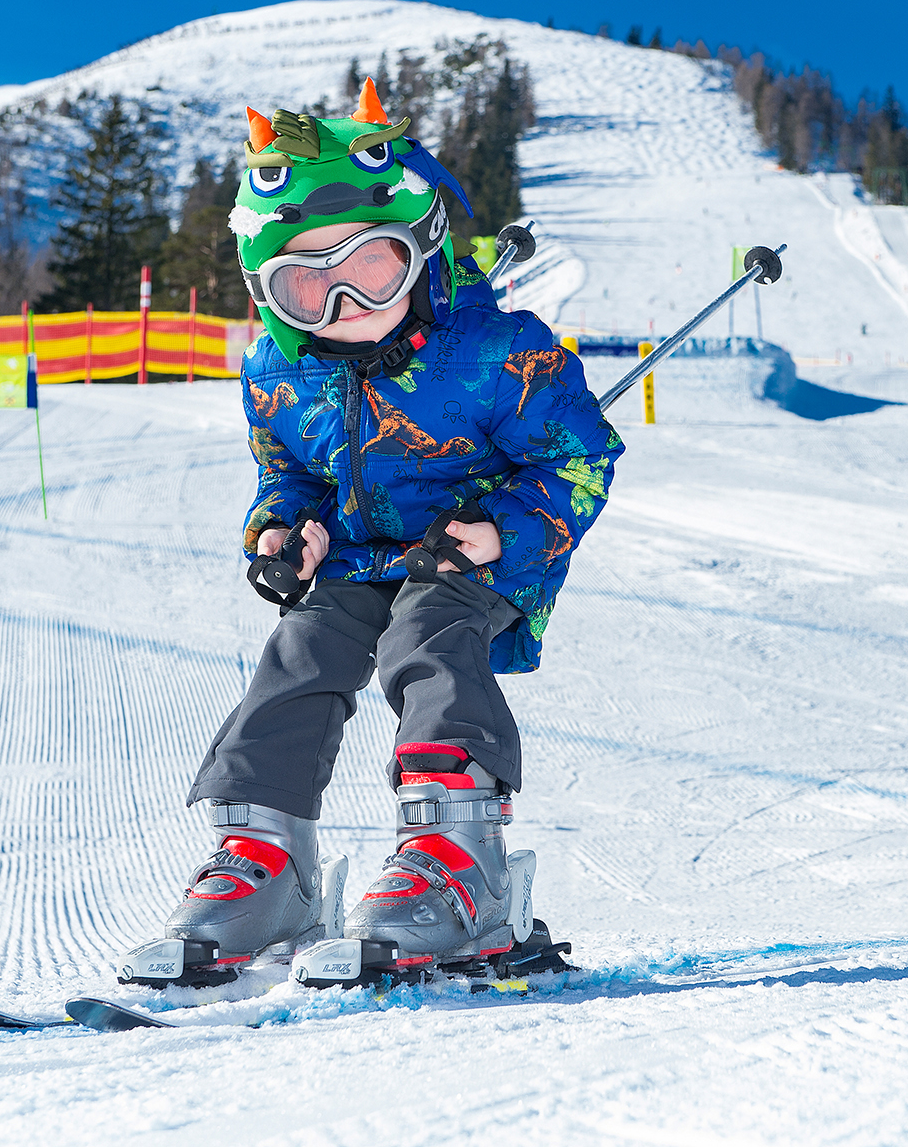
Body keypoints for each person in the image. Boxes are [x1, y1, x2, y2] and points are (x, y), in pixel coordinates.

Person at [133, 81, 621, 984]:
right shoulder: (283, 370)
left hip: (466, 555)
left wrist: (502, 532)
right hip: (356, 557)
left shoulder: (498, 350)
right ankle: (266, 860)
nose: (344, 302)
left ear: (421, 246)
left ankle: (455, 854)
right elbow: (291, 471)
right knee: (299, 652)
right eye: (306, 282)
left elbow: (579, 460)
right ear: (267, 291)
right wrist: (284, 529)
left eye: (371, 268)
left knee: (427, 641)